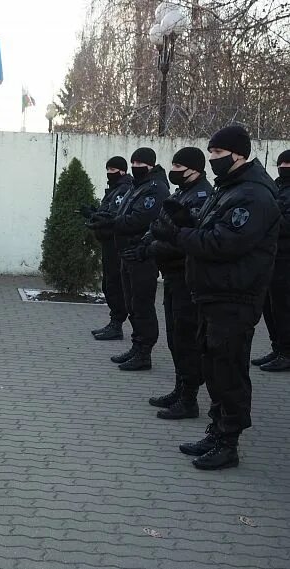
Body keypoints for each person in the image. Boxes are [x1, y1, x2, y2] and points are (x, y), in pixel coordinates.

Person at [151, 125, 279, 470]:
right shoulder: (230, 189)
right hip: (215, 294)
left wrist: (179, 234)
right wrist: (186, 220)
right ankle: (216, 430)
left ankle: (229, 442)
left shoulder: (253, 195)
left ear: (239, 154)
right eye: (210, 154)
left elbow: (223, 243)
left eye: (218, 155)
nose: (212, 160)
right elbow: (209, 229)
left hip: (235, 296)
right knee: (214, 364)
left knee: (229, 370)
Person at [122, 147, 212, 419]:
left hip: (187, 277)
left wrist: (150, 249)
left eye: (179, 166)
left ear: (194, 168)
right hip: (173, 275)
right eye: (172, 164)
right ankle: (180, 388)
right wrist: (144, 244)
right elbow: (160, 225)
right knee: (175, 338)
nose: (173, 170)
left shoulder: (201, 196)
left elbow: (183, 241)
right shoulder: (181, 192)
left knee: (186, 339)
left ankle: (189, 399)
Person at [88, 148, 169, 370]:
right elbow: (122, 214)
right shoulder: (138, 186)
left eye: (139, 162)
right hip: (127, 252)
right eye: (133, 161)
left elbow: (140, 219)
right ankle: (137, 346)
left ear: (150, 165)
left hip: (142, 253)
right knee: (133, 303)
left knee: (142, 304)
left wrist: (112, 224)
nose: (135, 166)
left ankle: (144, 352)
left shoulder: (156, 188)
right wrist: (103, 218)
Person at [251, 149, 290, 372]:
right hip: (272, 257)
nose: (284, 166)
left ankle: (286, 352)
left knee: (284, 307)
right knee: (270, 307)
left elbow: (284, 224)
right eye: (281, 162)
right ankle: (278, 347)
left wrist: (267, 216)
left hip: (286, 258)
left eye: (288, 163)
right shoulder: (277, 187)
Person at [88, 157, 133, 341]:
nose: (109, 172)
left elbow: (115, 216)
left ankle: (117, 324)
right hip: (108, 242)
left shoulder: (123, 189)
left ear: (122, 171)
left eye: (113, 169)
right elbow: (107, 213)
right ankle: (114, 322)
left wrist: (100, 218)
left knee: (114, 285)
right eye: (107, 168)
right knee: (109, 285)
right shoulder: (115, 189)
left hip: (116, 244)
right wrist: (93, 214)